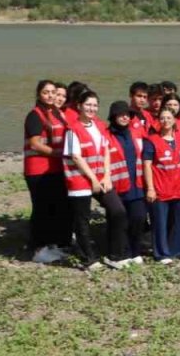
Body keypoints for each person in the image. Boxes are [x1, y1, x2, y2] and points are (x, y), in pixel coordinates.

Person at [64, 90, 132, 270]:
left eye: (94, 105)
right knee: (82, 220)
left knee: (118, 211)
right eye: (88, 105)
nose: (91, 108)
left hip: (101, 178)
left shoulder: (100, 126)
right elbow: (76, 157)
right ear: (79, 106)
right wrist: (93, 179)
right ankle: (89, 258)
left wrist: (107, 175)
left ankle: (115, 255)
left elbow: (106, 151)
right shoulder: (72, 129)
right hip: (79, 180)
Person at [23, 79, 70, 264]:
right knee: (42, 209)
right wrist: (58, 153)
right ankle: (37, 249)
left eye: (52, 92)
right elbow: (35, 143)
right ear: (38, 95)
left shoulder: (56, 113)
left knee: (55, 208)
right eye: (46, 92)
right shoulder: (34, 115)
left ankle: (53, 246)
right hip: (38, 170)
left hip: (55, 169)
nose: (50, 95)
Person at [106, 100, 147, 265]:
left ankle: (134, 250)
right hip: (116, 186)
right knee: (118, 220)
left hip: (136, 184)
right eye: (121, 114)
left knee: (138, 217)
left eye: (127, 115)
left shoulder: (135, 133)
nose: (124, 117)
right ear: (113, 116)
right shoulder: (106, 135)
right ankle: (117, 252)